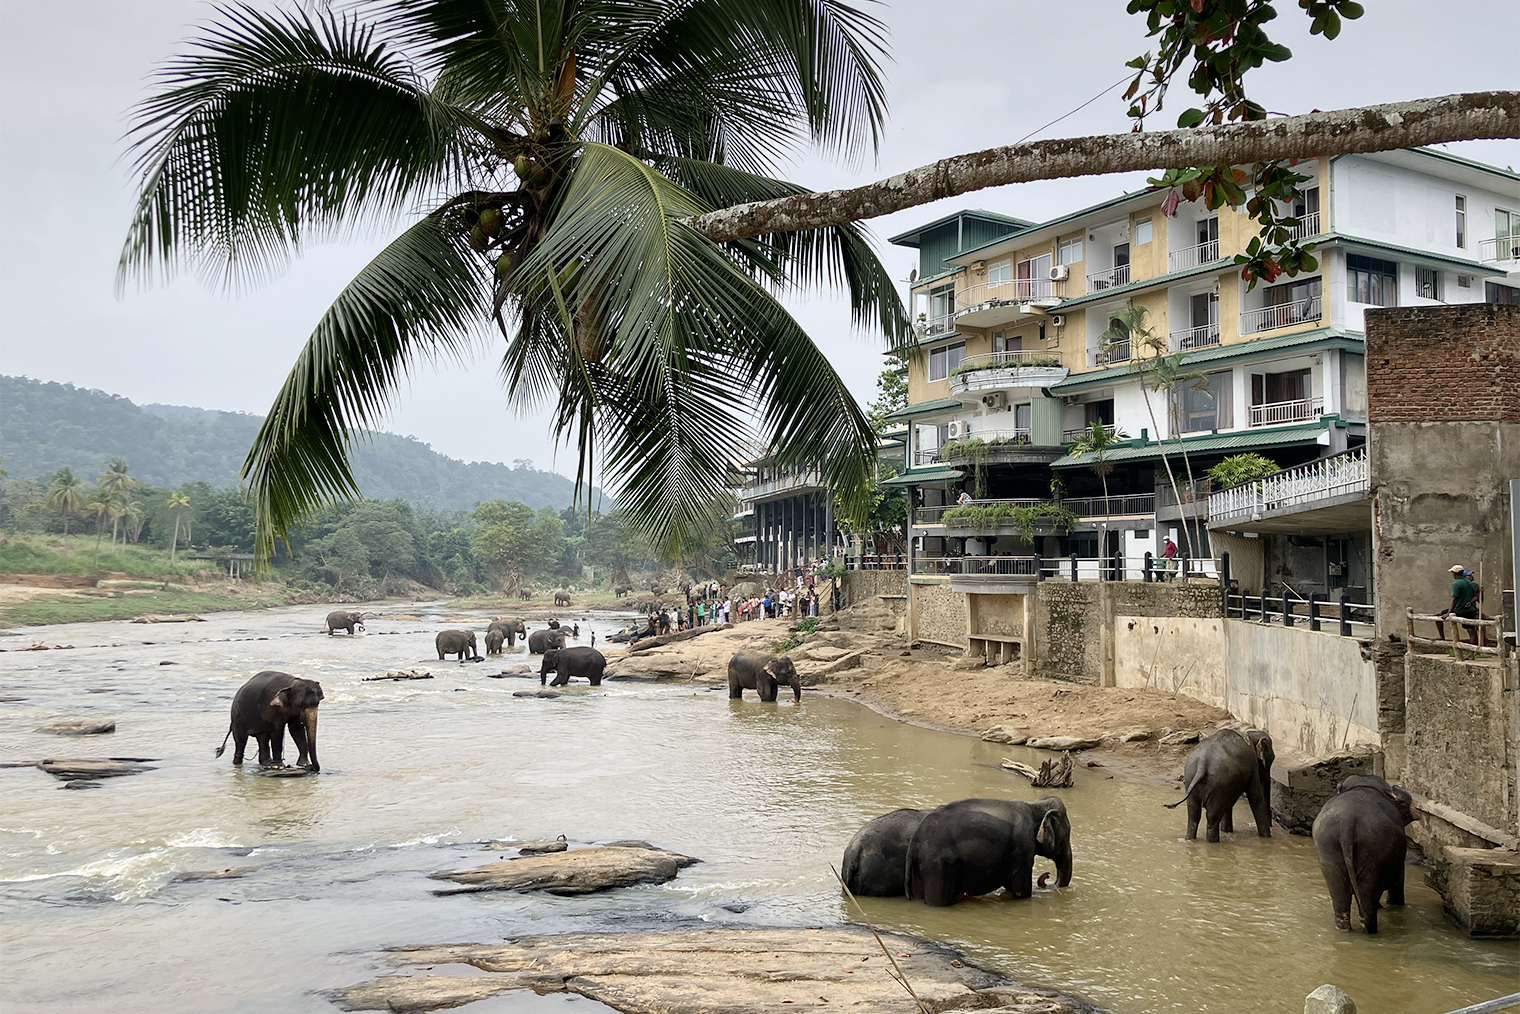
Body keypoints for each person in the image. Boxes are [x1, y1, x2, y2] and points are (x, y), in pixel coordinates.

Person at [1441, 563, 1482, 645]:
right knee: (1472, 632)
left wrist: (1449, 613)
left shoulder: (1456, 584)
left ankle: (1441, 637)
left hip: (1459, 610)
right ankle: (1472, 653)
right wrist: (1470, 602)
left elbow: (1454, 600)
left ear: (1454, 573)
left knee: (1439, 615)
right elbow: (1476, 596)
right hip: (1470, 610)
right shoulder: (1470, 583)